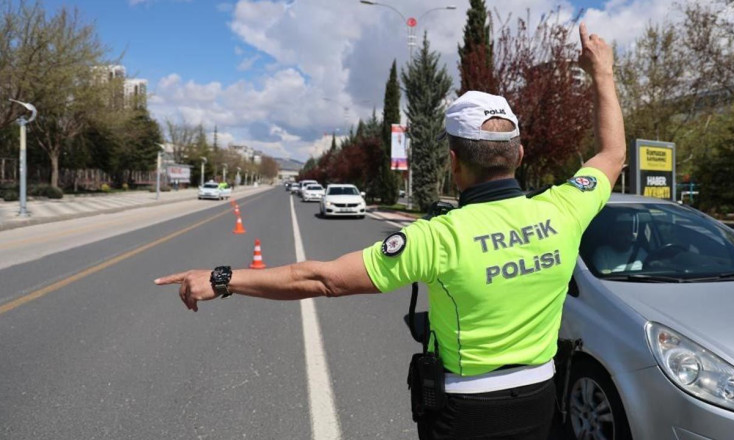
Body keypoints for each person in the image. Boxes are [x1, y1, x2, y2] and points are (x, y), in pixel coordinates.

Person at [155, 23, 625, 440]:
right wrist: (601, 71)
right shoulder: (566, 208)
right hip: (540, 400)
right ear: (518, 156)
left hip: (466, 411)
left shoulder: (439, 237)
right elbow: (611, 155)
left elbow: (323, 279)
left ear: (454, 161)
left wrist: (222, 278)